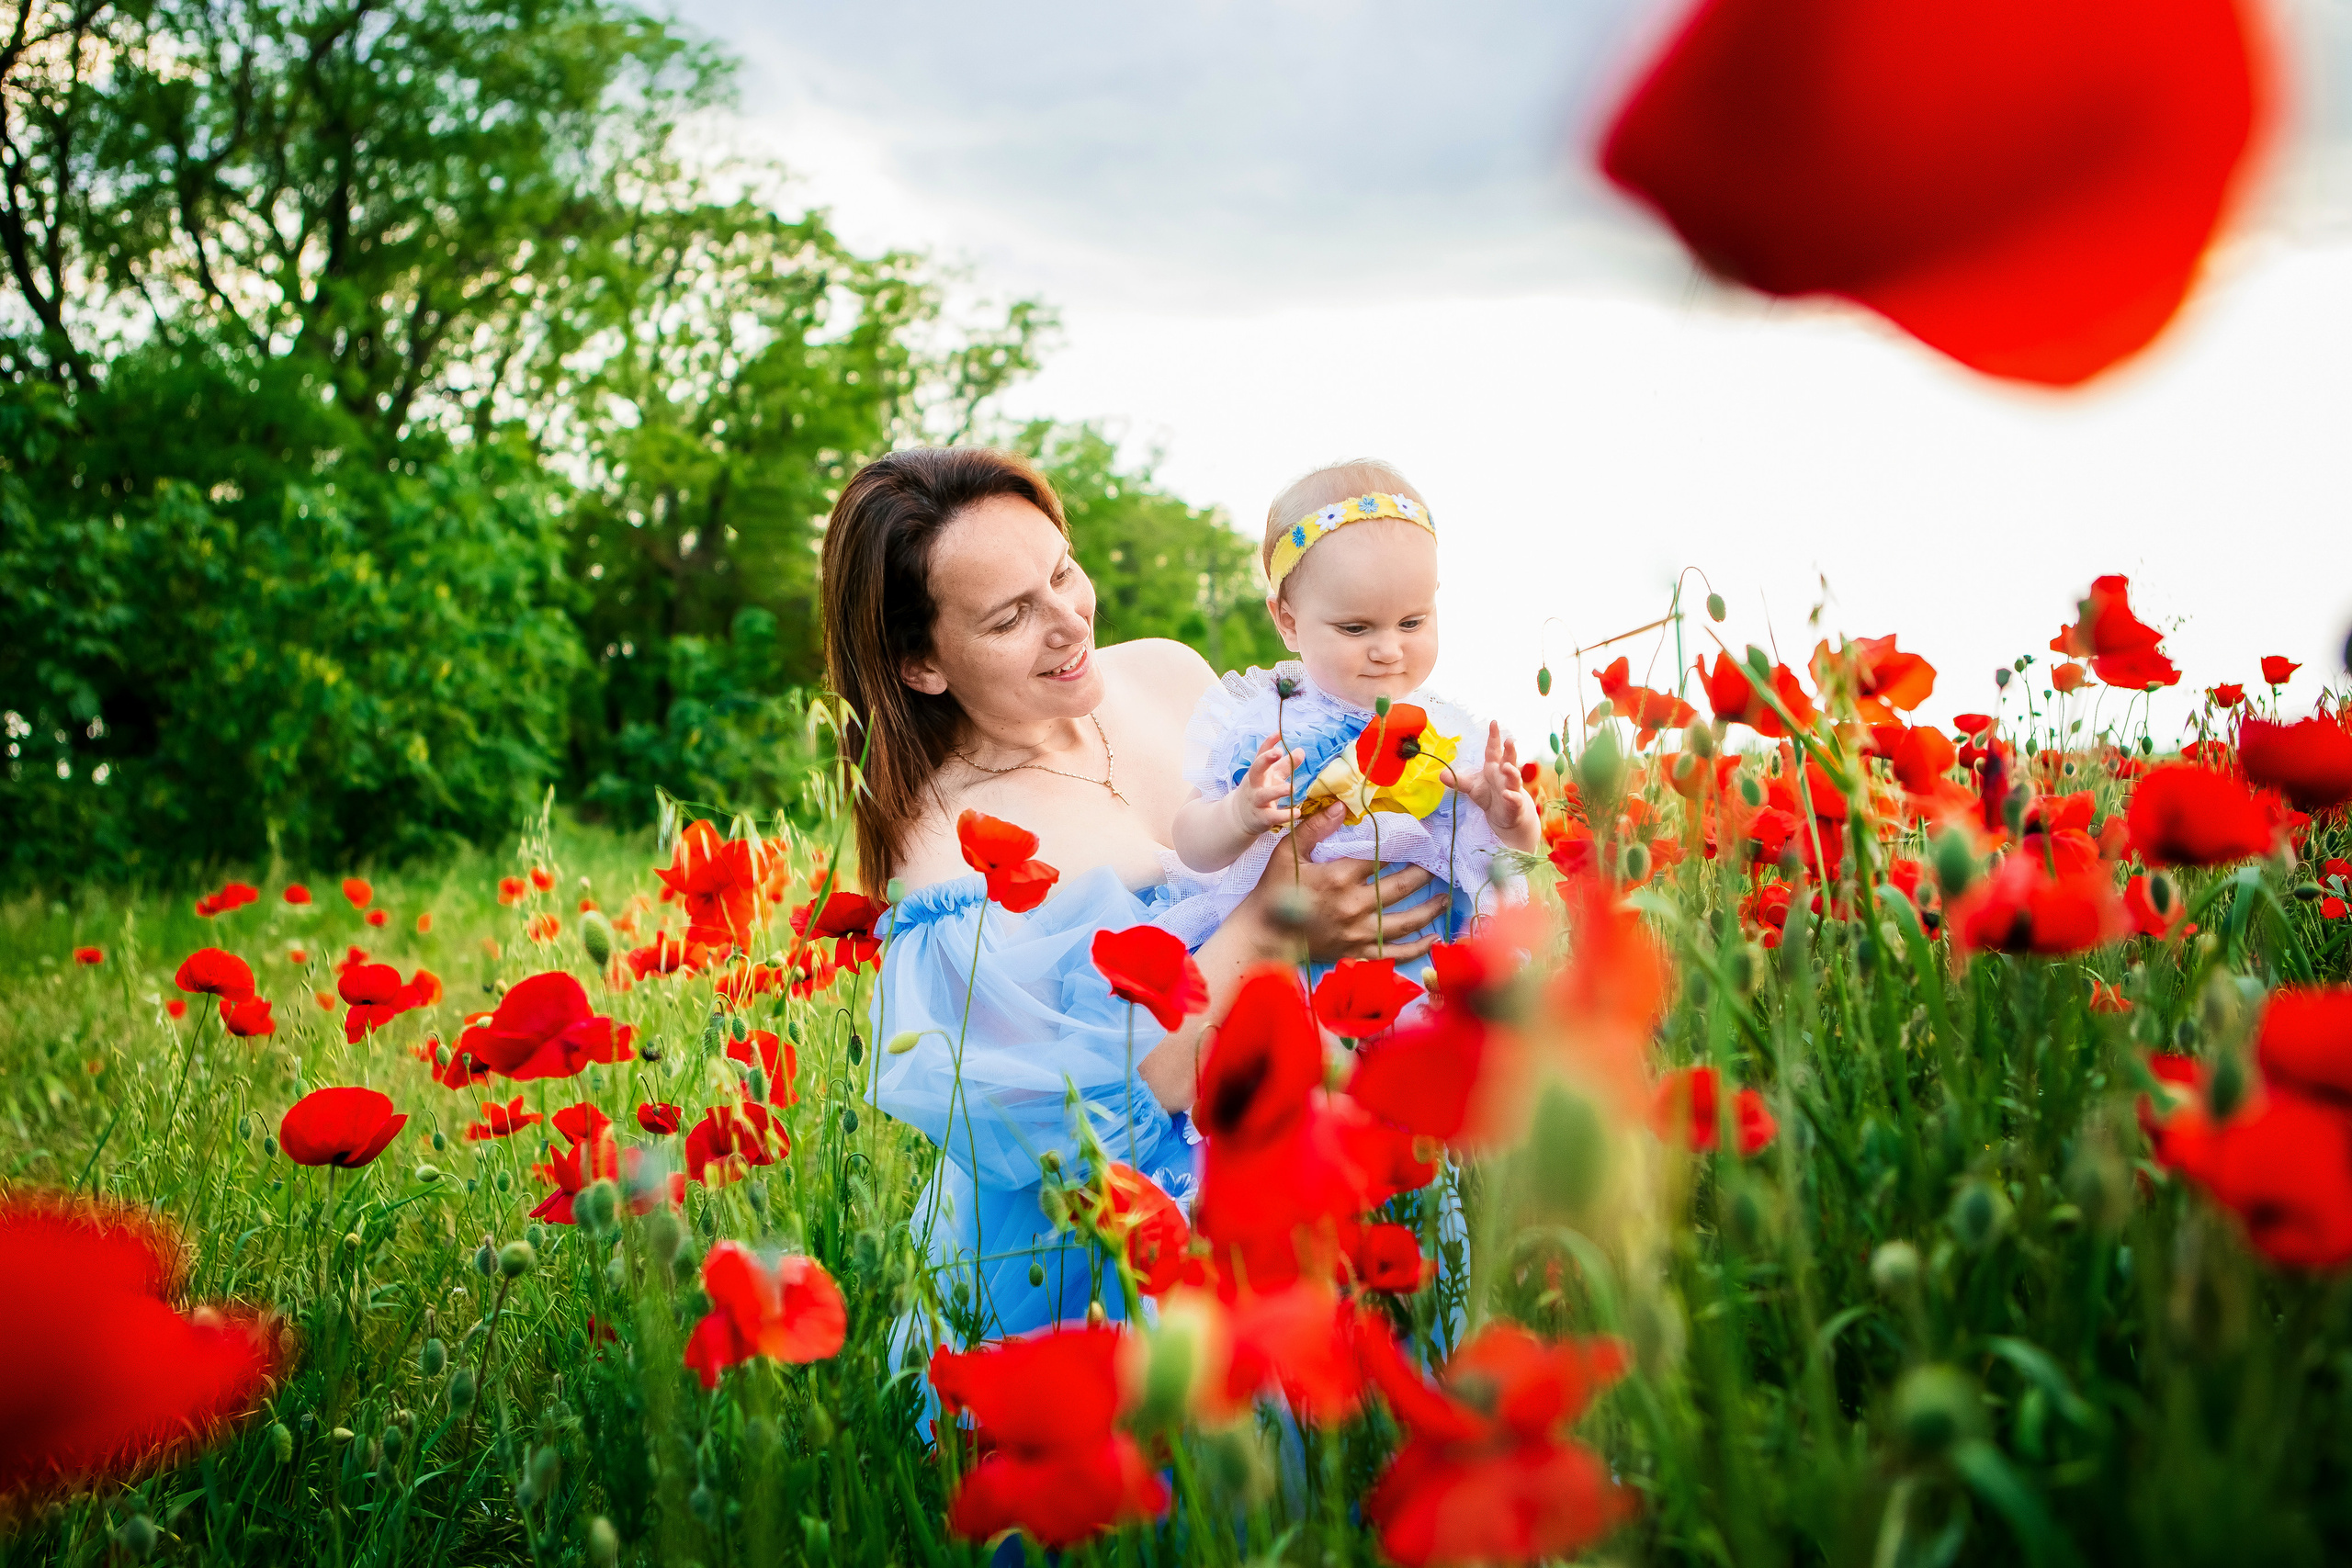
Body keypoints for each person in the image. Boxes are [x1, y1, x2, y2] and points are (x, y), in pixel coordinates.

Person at [820, 446, 1449, 1349]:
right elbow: (1118, 1102)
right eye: (1010, 618)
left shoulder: (1168, 674)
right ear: (922, 663)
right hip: (1132, 1262)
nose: (1068, 624)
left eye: (1062, 574)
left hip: (1315, 1137)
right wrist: (1275, 916)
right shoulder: (949, 860)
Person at [1159, 458, 1541, 956]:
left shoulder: (1444, 732)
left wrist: (1509, 815)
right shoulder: (1275, 725)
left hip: (1430, 952)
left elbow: (1516, 853)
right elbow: (1190, 845)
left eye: (1411, 622)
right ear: (1289, 622)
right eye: (1356, 629)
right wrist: (1238, 814)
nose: (1388, 650)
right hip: (1307, 958)